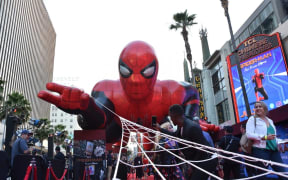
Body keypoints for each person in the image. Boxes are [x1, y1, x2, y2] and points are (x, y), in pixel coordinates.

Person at [38, 41, 217, 149]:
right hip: (118, 129)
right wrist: (87, 109)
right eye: (127, 71)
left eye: (146, 72)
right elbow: (101, 117)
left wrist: (189, 118)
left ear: (155, 71)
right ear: (120, 70)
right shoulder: (107, 89)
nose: (137, 81)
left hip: (157, 128)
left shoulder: (171, 90)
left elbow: (192, 93)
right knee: (103, 133)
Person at [157, 104, 217, 180]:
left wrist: (192, 166)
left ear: (175, 116)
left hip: (207, 159)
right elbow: (175, 136)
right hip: (198, 160)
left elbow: (201, 150)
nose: (171, 120)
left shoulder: (192, 127)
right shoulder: (181, 126)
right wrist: (160, 129)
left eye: (171, 117)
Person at [246, 101, 287, 180]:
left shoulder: (270, 120)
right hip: (261, 151)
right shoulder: (252, 119)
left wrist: (282, 141)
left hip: (274, 151)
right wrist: (264, 137)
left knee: (283, 174)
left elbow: (272, 137)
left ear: (264, 108)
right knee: (262, 176)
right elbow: (249, 135)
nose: (257, 108)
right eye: (256, 107)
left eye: (259, 106)